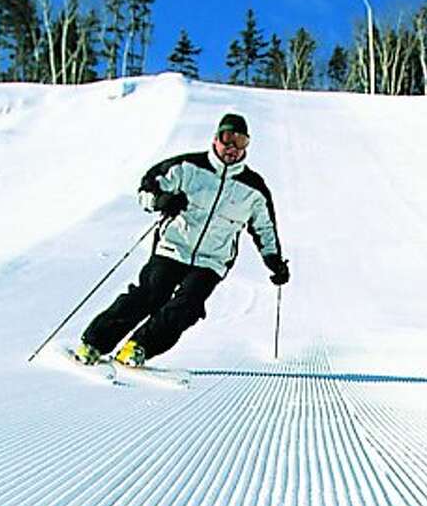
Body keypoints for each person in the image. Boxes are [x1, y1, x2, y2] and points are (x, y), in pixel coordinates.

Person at [75, 112, 289, 368]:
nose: (232, 147)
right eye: (227, 138)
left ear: (247, 145)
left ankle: (139, 347)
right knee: (150, 294)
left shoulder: (254, 189)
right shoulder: (187, 167)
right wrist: (161, 201)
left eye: (240, 141)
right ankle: (94, 343)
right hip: (173, 247)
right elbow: (146, 190)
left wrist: (274, 261)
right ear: (215, 139)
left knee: (188, 305)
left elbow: (265, 228)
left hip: (213, 260)